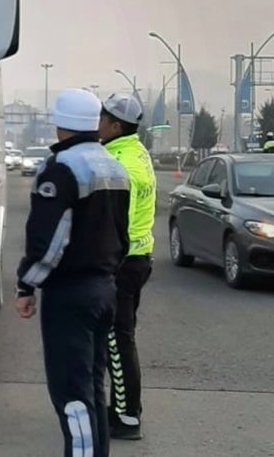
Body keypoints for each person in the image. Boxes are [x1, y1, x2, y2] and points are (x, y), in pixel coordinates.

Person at [16, 88, 131, 457]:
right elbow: (122, 234)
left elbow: (49, 241)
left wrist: (26, 285)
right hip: (105, 289)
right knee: (93, 389)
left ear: (59, 124)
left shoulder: (61, 170)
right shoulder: (114, 167)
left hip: (70, 295)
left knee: (71, 394)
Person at [99, 94, 156, 441]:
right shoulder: (138, 152)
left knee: (117, 342)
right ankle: (122, 406)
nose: (99, 123)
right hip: (139, 259)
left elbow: (113, 223)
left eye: (103, 117)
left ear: (116, 125)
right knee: (121, 339)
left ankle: (127, 417)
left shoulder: (119, 165)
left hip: (123, 263)